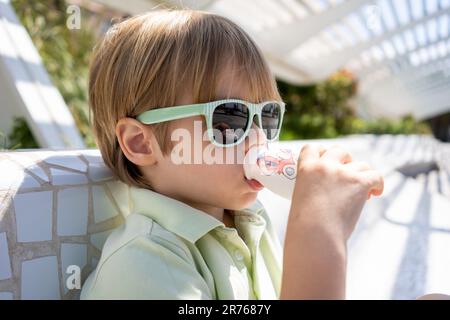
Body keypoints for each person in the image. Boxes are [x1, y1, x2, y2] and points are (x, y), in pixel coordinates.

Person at [80, 9, 384, 299]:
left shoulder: (250, 218)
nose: (259, 138)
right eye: (229, 118)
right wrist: (318, 230)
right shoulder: (142, 264)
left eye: (267, 117)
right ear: (140, 143)